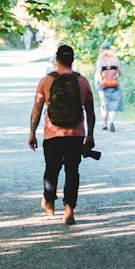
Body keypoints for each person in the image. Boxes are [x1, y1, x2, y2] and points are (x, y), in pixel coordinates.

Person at [28, 43, 96, 226]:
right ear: (72, 60)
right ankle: (69, 210)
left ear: (57, 59)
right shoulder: (82, 81)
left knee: (52, 168)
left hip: (53, 135)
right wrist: (90, 135)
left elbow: (37, 108)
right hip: (76, 134)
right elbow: (90, 111)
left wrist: (32, 133)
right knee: (72, 171)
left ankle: (49, 200)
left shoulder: (46, 80)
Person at [94, 41, 124, 132]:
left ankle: (105, 124)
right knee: (113, 104)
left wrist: (96, 84)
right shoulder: (115, 60)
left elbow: (98, 74)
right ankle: (111, 121)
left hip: (103, 85)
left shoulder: (100, 61)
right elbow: (120, 73)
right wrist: (114, 77)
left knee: (104, 104)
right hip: (114, 85)